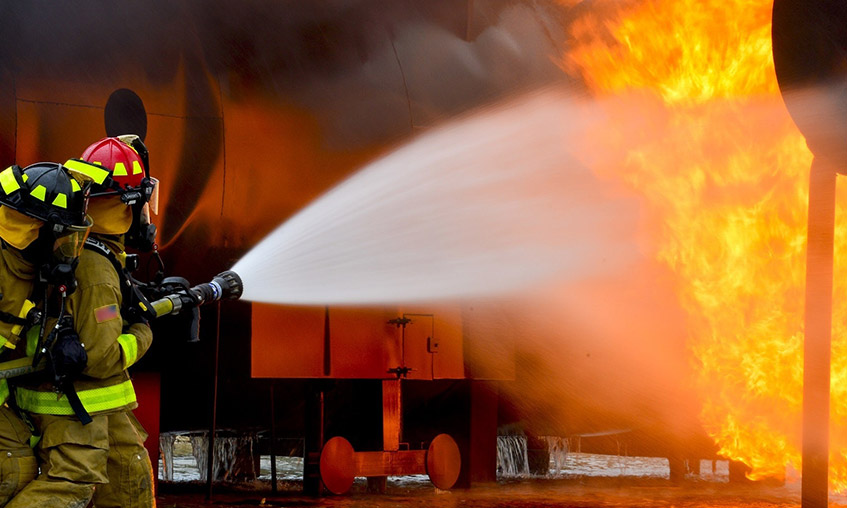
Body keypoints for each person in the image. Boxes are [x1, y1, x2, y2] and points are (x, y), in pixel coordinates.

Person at [9, 136, 158, 508]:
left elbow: (100, 316)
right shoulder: (96, 270)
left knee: (129, 471)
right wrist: (142, 332)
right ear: (131, 201)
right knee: (71, 484)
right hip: (73, 402)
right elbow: (102, 353)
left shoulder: (93, 251)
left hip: (97, 403)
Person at [0, 161, 92, 506]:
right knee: (14, 466)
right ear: (41, 229)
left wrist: (62, 334)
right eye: (63, 235)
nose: (67, 247)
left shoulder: (25, 266)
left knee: (20, 454)